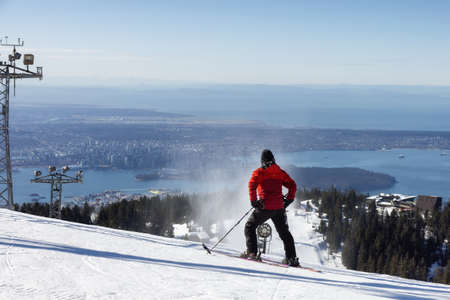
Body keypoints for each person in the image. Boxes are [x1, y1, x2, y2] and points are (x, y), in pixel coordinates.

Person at [241, 149, 300, 267]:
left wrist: (253, 201)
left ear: (262, 161)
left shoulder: (259, 172)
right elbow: (292, 185)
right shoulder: (280, 172)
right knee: (284, 233)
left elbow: (252, 185)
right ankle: (291, 258)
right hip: (279, 208)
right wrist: (288, 200)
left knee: (249, 226)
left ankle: (252, 253)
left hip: (265, 207)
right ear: (273, 159)